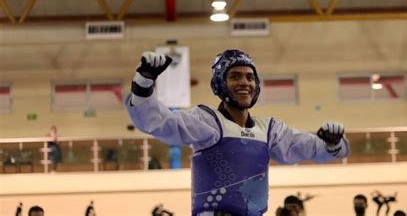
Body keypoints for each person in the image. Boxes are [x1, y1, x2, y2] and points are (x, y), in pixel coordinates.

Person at [126, 49, 350, 216]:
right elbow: (159, 123)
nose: (244, 83)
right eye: (235, 76)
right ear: (220, 84)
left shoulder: (269, 130)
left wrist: (332, 143)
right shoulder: (208, 122)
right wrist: (144, 82)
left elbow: (307, 148)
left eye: (250, 77)